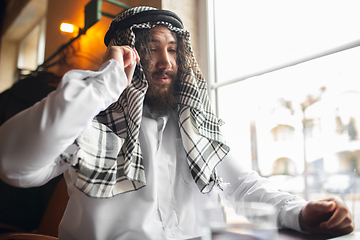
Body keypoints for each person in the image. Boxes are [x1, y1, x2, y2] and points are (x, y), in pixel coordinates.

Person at [0, 6, 354, 240]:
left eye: (172, 49)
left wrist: (302, 212)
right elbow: (13, 164)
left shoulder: (195, 127)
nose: (165, 61)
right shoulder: (87, 123)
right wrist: (103, 85)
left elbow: (245, 188)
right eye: (150, 48)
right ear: (125, 55)